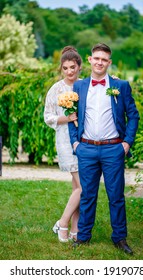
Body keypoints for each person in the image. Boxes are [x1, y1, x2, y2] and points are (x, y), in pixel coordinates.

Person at [68, 43, 140, 254]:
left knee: (116, 195)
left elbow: (133, 115)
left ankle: (119, 238)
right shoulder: (79, 87)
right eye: (96, 58)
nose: (99, 62)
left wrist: (126, 143)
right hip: (87, 149)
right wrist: (75, 142)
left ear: (109, 62)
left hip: (113, 149)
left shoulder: (122, 86)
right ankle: (83, 237)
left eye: (104, 59)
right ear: (90, 60)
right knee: (88, 195)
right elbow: (73, 116)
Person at [44, 46, 82, 242]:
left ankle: (75, 230)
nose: (70, 71)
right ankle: (63, 223)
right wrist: (65, 118)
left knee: (77, 187)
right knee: (82, 188)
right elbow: (47, 117)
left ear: (79, 67)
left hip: (84, 140)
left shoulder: (84, 86)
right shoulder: (56, 89)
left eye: (73, 67)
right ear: (62, 68)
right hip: (66, 140)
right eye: (66, 68)